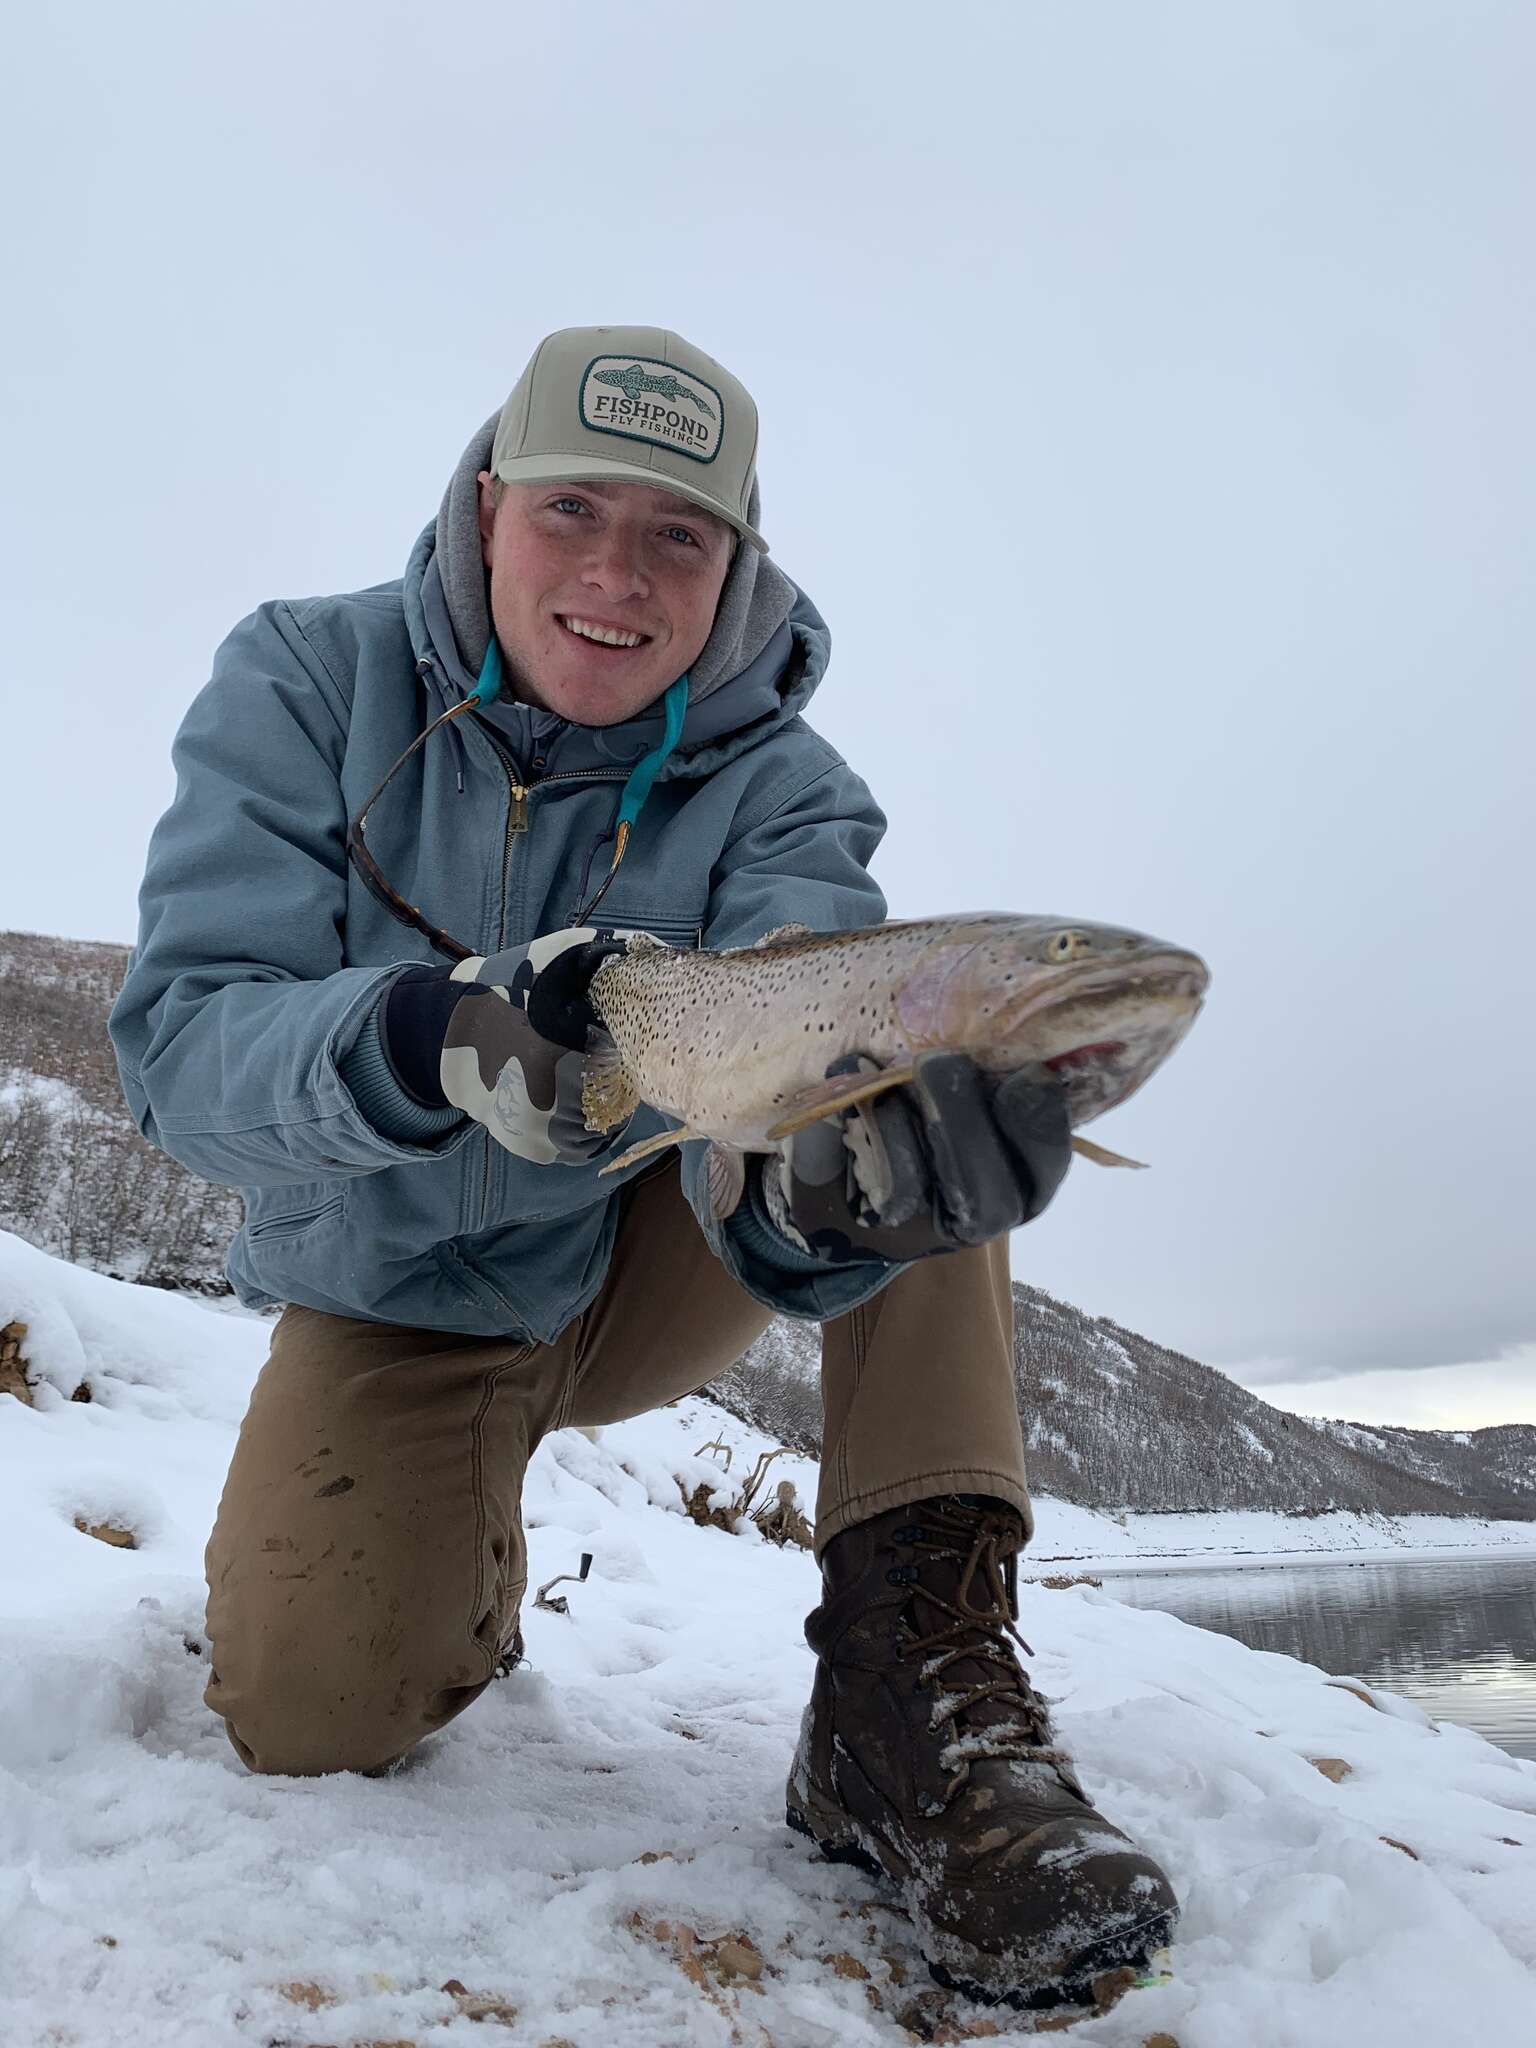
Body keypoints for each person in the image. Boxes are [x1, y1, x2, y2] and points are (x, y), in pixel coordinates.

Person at [109, 325, 1178, 2009]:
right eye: (573, 512)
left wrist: (840, 1199)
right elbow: (177, 1056)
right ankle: (448, 1562)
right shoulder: (305, 684)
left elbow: (790, 1119)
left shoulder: (789, 792)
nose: (618, 574)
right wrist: (420, 1035)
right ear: (484, 508)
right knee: (313, 1715)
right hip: (391, 1291)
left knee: (918, 1101)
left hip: (644, 1254)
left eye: (678, 535)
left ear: (738, 566)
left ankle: (905, 1699)